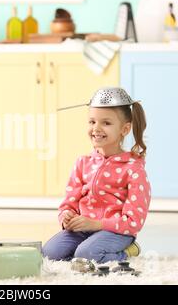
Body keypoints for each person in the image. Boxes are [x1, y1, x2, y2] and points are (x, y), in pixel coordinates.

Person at [42, 87, 150, 264]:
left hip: (116, 232)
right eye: (92, 122)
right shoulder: (82, 163)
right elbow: (68, 203)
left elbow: (134, 221)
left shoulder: (134, 169)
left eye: (106, 123)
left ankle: (128, 251)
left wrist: (98, 224)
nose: (96, 128)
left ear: (125, 129)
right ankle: (85, 252)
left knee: (86, 254)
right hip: (82, 230)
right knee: (49, 254)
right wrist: (67, 216)